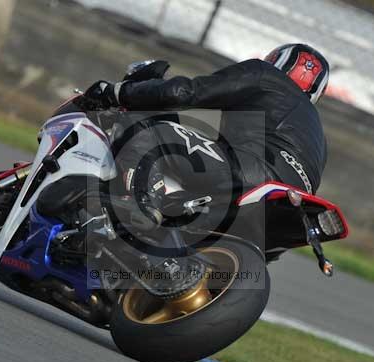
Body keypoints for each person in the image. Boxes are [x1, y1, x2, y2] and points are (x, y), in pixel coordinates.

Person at [87, 43, 330, 227]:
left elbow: (181, 93)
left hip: (252, 172)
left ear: (275, 61)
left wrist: (118, 92)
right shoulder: (318, 133)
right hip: (293, 205)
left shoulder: (264, 74)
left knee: (147, 126)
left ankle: (138, 207)